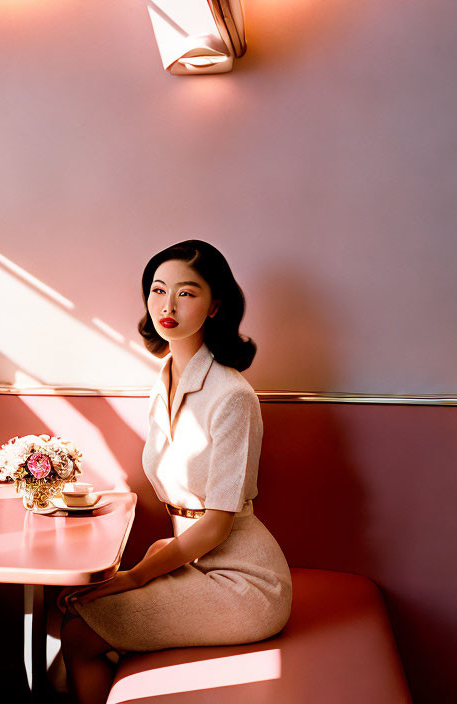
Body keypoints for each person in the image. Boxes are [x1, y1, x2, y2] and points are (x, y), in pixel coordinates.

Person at [59, 240, 292, 704]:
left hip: (245, 584)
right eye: (158, 290)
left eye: (186, 293)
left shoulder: (232, 395)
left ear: (215, 306)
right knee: (67, 613)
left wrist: (134, 576)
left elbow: (216, 525)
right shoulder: (164, 377)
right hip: (196, 564)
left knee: (79, 636)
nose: (167, 305)